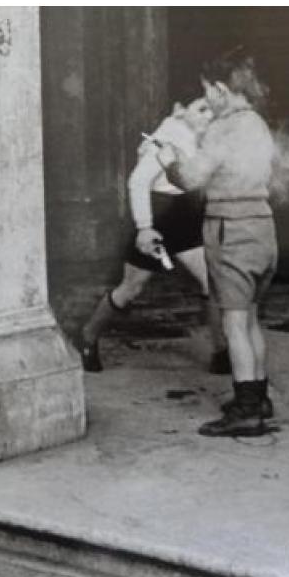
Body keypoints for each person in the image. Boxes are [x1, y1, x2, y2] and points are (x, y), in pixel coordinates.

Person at [158, 47, 277, 437]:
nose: (206, 98)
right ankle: (257, 397)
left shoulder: (223, 127)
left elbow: (191, 178)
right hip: (262, 226)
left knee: (234, 323)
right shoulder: (257, 122)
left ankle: (246, 412)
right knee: (252, 317)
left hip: (231, 229)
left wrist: (169, 159)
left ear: (222, 89)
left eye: (208, 90)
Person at [79, 95, 229, 375]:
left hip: (185, 214)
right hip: (159, 216)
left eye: (211, 109)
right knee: (130, 289)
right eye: (201, 109)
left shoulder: (199, 134)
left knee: (213, 282)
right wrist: (145, 227)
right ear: (179, 110)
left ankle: (222, 351)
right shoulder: (167, 136)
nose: (208, 116)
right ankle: (88, 337)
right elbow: (137, 181)